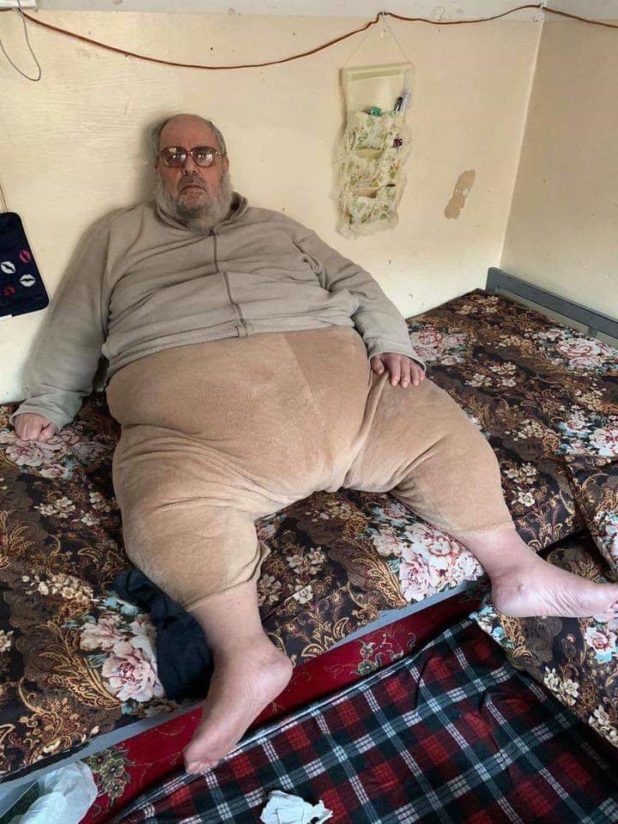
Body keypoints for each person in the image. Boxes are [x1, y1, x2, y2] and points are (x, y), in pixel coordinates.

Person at [11, 114, 618, 775]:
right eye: (174, 155)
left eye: (203, 153)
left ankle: (518, 571)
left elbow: (357, 284)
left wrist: (392, 343)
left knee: (439, 427)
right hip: (196, 413)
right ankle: (247, 654)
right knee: (162, 500)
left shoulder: (279, 228)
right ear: (157, 167)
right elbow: (75, 322)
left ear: (225, 162)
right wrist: (49, 401)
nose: (190, 167)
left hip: (343, 386)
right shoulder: (117, 236)